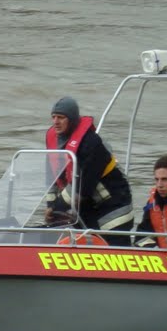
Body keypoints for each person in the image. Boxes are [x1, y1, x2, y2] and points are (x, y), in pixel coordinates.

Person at [43, 95, 134, 243]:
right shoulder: (54, 142)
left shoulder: (91, 143)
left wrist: (56, 208)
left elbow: (82, 185)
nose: (56, 122)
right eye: (53, 117)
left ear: (72, 119)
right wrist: (50, 209)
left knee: (114, 247)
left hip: (113, 205)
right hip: (86, 206)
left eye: (61, 117)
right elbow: (52, 178)